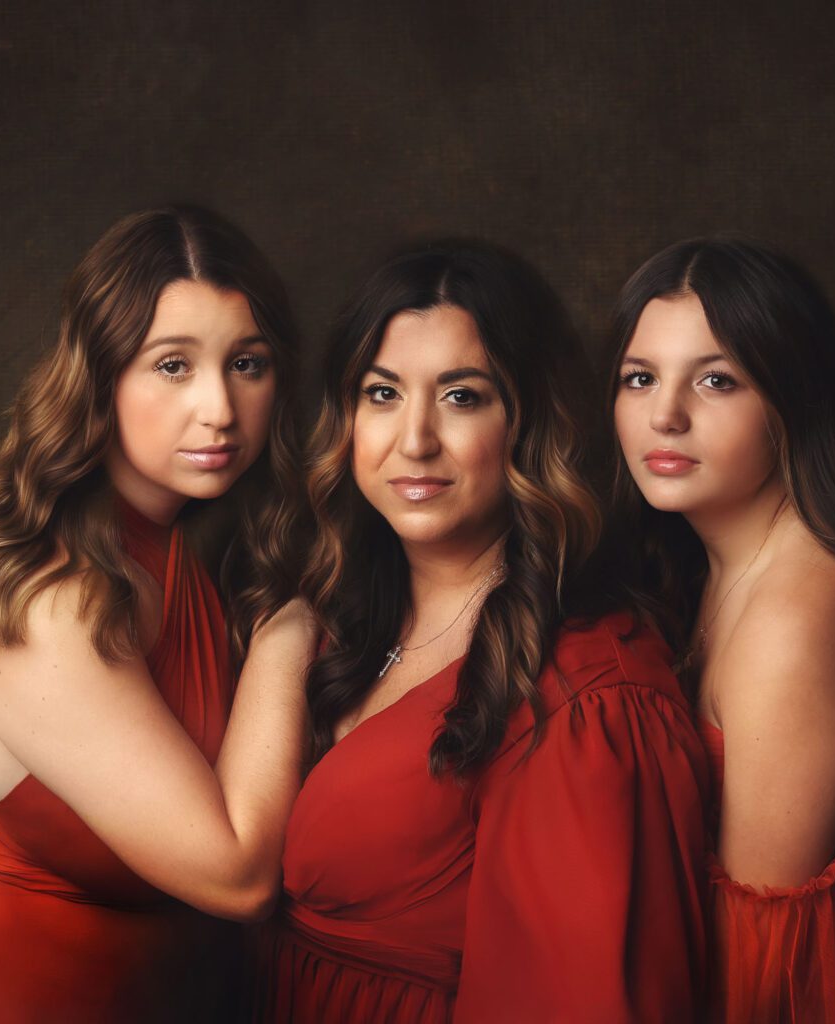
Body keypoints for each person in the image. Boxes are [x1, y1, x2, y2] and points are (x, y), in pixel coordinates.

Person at [259, 240, 710, 1023]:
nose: (415, 439)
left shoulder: (587, 695)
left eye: (462, 397)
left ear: (528, 423)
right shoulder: (337, 621)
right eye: (383, 393)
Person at [0, 206, 312, 1023]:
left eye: (247, 363)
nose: (218, 407)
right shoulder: (40, 581)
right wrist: (290, 635)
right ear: (100, 372)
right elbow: (238, 877)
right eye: (172, 365)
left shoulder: (170, 539)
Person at [609, 235, 835, 1022]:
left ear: (793, 401)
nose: (665, 414)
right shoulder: (714, 563)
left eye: (717, 380)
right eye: (639, 378)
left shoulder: (799, 616)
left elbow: (759, 973)